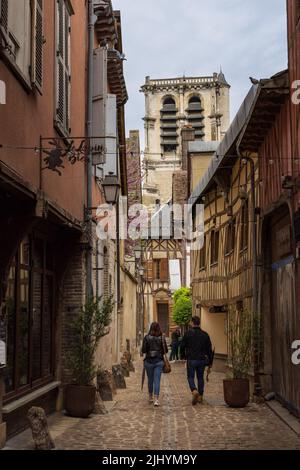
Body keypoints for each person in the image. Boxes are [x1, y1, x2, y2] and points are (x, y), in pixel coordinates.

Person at [180, 316, 213, 405]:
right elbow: (209, 349)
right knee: (200, 377)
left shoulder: (187, 334)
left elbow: (182, 346)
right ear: (199, 323)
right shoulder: (205, 334)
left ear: (192, 322)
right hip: (202, 359)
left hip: (191, 359)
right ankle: (201, 396)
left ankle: (194, 390)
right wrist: (210, 361)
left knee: (190, 377)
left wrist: (182, 356)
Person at [142, 322, 168, 407]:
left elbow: (144, 350)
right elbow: (166, 350)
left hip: (148, 361)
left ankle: (150, 397)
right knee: (157, 380)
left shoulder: (146, 337)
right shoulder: (161, 338)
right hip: (159, 361)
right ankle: (156, 399)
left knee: (150, 380)